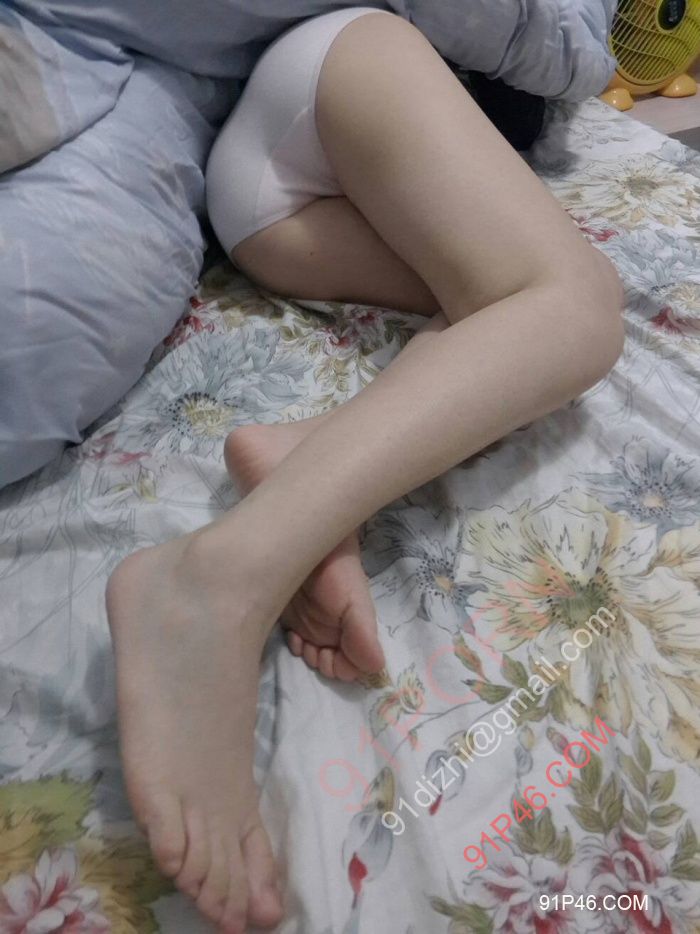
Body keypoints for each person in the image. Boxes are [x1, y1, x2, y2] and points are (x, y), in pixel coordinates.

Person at [106, 8, 624, 933]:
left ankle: (306, 454)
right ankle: (218, 577)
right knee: (580, 306)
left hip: (278, 215)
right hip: (349, 67)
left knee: (516, 332)